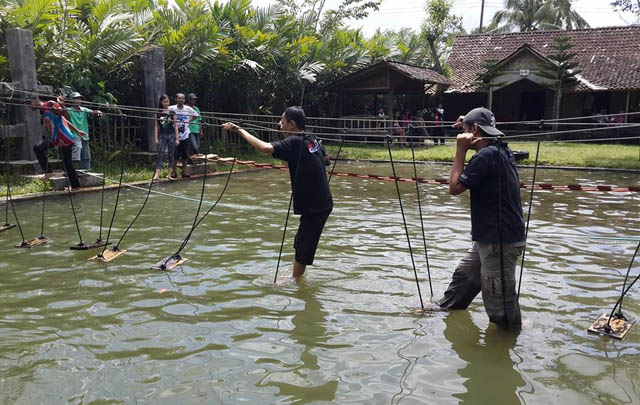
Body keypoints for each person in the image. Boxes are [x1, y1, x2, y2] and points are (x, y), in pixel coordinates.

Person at [432, 107, 525, 330]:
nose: (462, 134)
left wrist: (460, 150)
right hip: (490, 235)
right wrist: (469, 122)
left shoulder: (485, 156)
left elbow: (454, 188)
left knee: (499, 300)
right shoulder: (501, 148)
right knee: (464, 278)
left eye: (465, 130)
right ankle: (445, 311)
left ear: (474, 130)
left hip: (499, 240)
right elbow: (485, 129)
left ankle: (507, 341)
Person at [222, 106, 333, 279]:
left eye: (282, 121)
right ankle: (298, 277)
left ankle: (295, 284)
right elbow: (325, 160)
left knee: (304, 246)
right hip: (321, 201)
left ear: (292, 124)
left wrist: (239, 130)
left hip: (315, 205)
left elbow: (264, 148)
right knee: (300, 242)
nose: (279, 125)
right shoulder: (311, 138)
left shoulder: (295, 141)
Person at [27, 94, 86, 189]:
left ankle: (75, 186)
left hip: (64, 137)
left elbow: (65, 114)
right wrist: (77, 131)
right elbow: (63, 119)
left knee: (67, 164)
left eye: (29, 103)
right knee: (38, 148)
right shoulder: (44, 110)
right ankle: (50, 172)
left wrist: (61, 105)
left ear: (36, 100)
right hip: (55, 138)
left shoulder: (50, 104)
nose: (28, 106)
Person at [64, 91, 102, 171]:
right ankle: (72, 167)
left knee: (86, 156)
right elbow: (63, 114)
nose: (78, 100)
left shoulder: (84, 110)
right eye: (76, 99)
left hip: (84, 135)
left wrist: (97, 112)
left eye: (79, 98)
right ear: (71, 100)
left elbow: (92, 112)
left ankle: (86, 171)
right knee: (77, 149)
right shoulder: (69, 110)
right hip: (73, 135)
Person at [169, 93, 198, 178]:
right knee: (175, 155)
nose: (181, 100)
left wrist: (189, 121)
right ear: (176, 99)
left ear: (184, 100)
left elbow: (196, 115)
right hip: (174, 135)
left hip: (185, 134)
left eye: (182, 98)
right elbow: (162, 113)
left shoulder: (188, 109)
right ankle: (173, 171)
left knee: (185, 154)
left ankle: (184, 171)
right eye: (179, 98)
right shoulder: (171, 108)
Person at [153, 94, 179, 181]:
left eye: (167, 101)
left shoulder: (172, 113)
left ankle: (169, 174)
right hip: (162, 135)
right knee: (160, 154)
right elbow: (156, 126)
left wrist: (177, 138)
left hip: (171, 135)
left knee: (171, 155)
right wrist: (156, 138)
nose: (166, 103)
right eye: (164, 102)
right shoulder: (158, 113)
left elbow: (175, 126)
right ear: (161, 102)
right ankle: (157, 174)